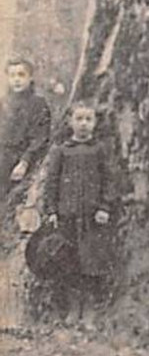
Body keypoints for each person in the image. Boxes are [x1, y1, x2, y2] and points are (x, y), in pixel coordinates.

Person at [42, 100, 116, 325]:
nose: (83, 124)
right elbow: (51, 182)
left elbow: (109, 180)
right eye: (79, 119)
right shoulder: (61, 150)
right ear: (70, 121)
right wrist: (52, 210)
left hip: (93, 217)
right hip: (67, 216)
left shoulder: (100, 149)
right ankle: (73, 309)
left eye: (88, 119)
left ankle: (90, 311)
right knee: (70, 262)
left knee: (92, 262)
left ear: (95, 123)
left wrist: (105, 206)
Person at [0, 56, 51, 331]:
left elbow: (40, 138)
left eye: (22, 74)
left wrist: (25, 161)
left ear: (31, 77)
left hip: (22, 165)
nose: (17, 79)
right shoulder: (4, 104)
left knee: (15, 220)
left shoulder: (38, 105)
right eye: (12, 75)